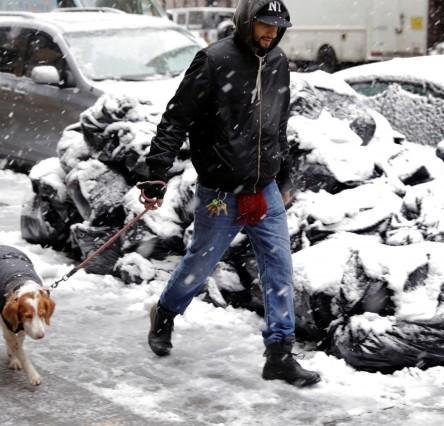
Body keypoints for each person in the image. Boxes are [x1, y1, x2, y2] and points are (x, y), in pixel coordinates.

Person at [137, 0, 321, 388]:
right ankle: (166, 312)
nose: (271, 33)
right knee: (201, 263)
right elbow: (175, 119)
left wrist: (282, 175)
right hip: (220, 190)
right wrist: (157, 173)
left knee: (279, 267)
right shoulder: (213, 61)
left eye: (278, 27)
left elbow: (277, 124)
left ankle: (280, 354)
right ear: (246, 22)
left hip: (264, 188)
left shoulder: (277, 63)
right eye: (264, 25)